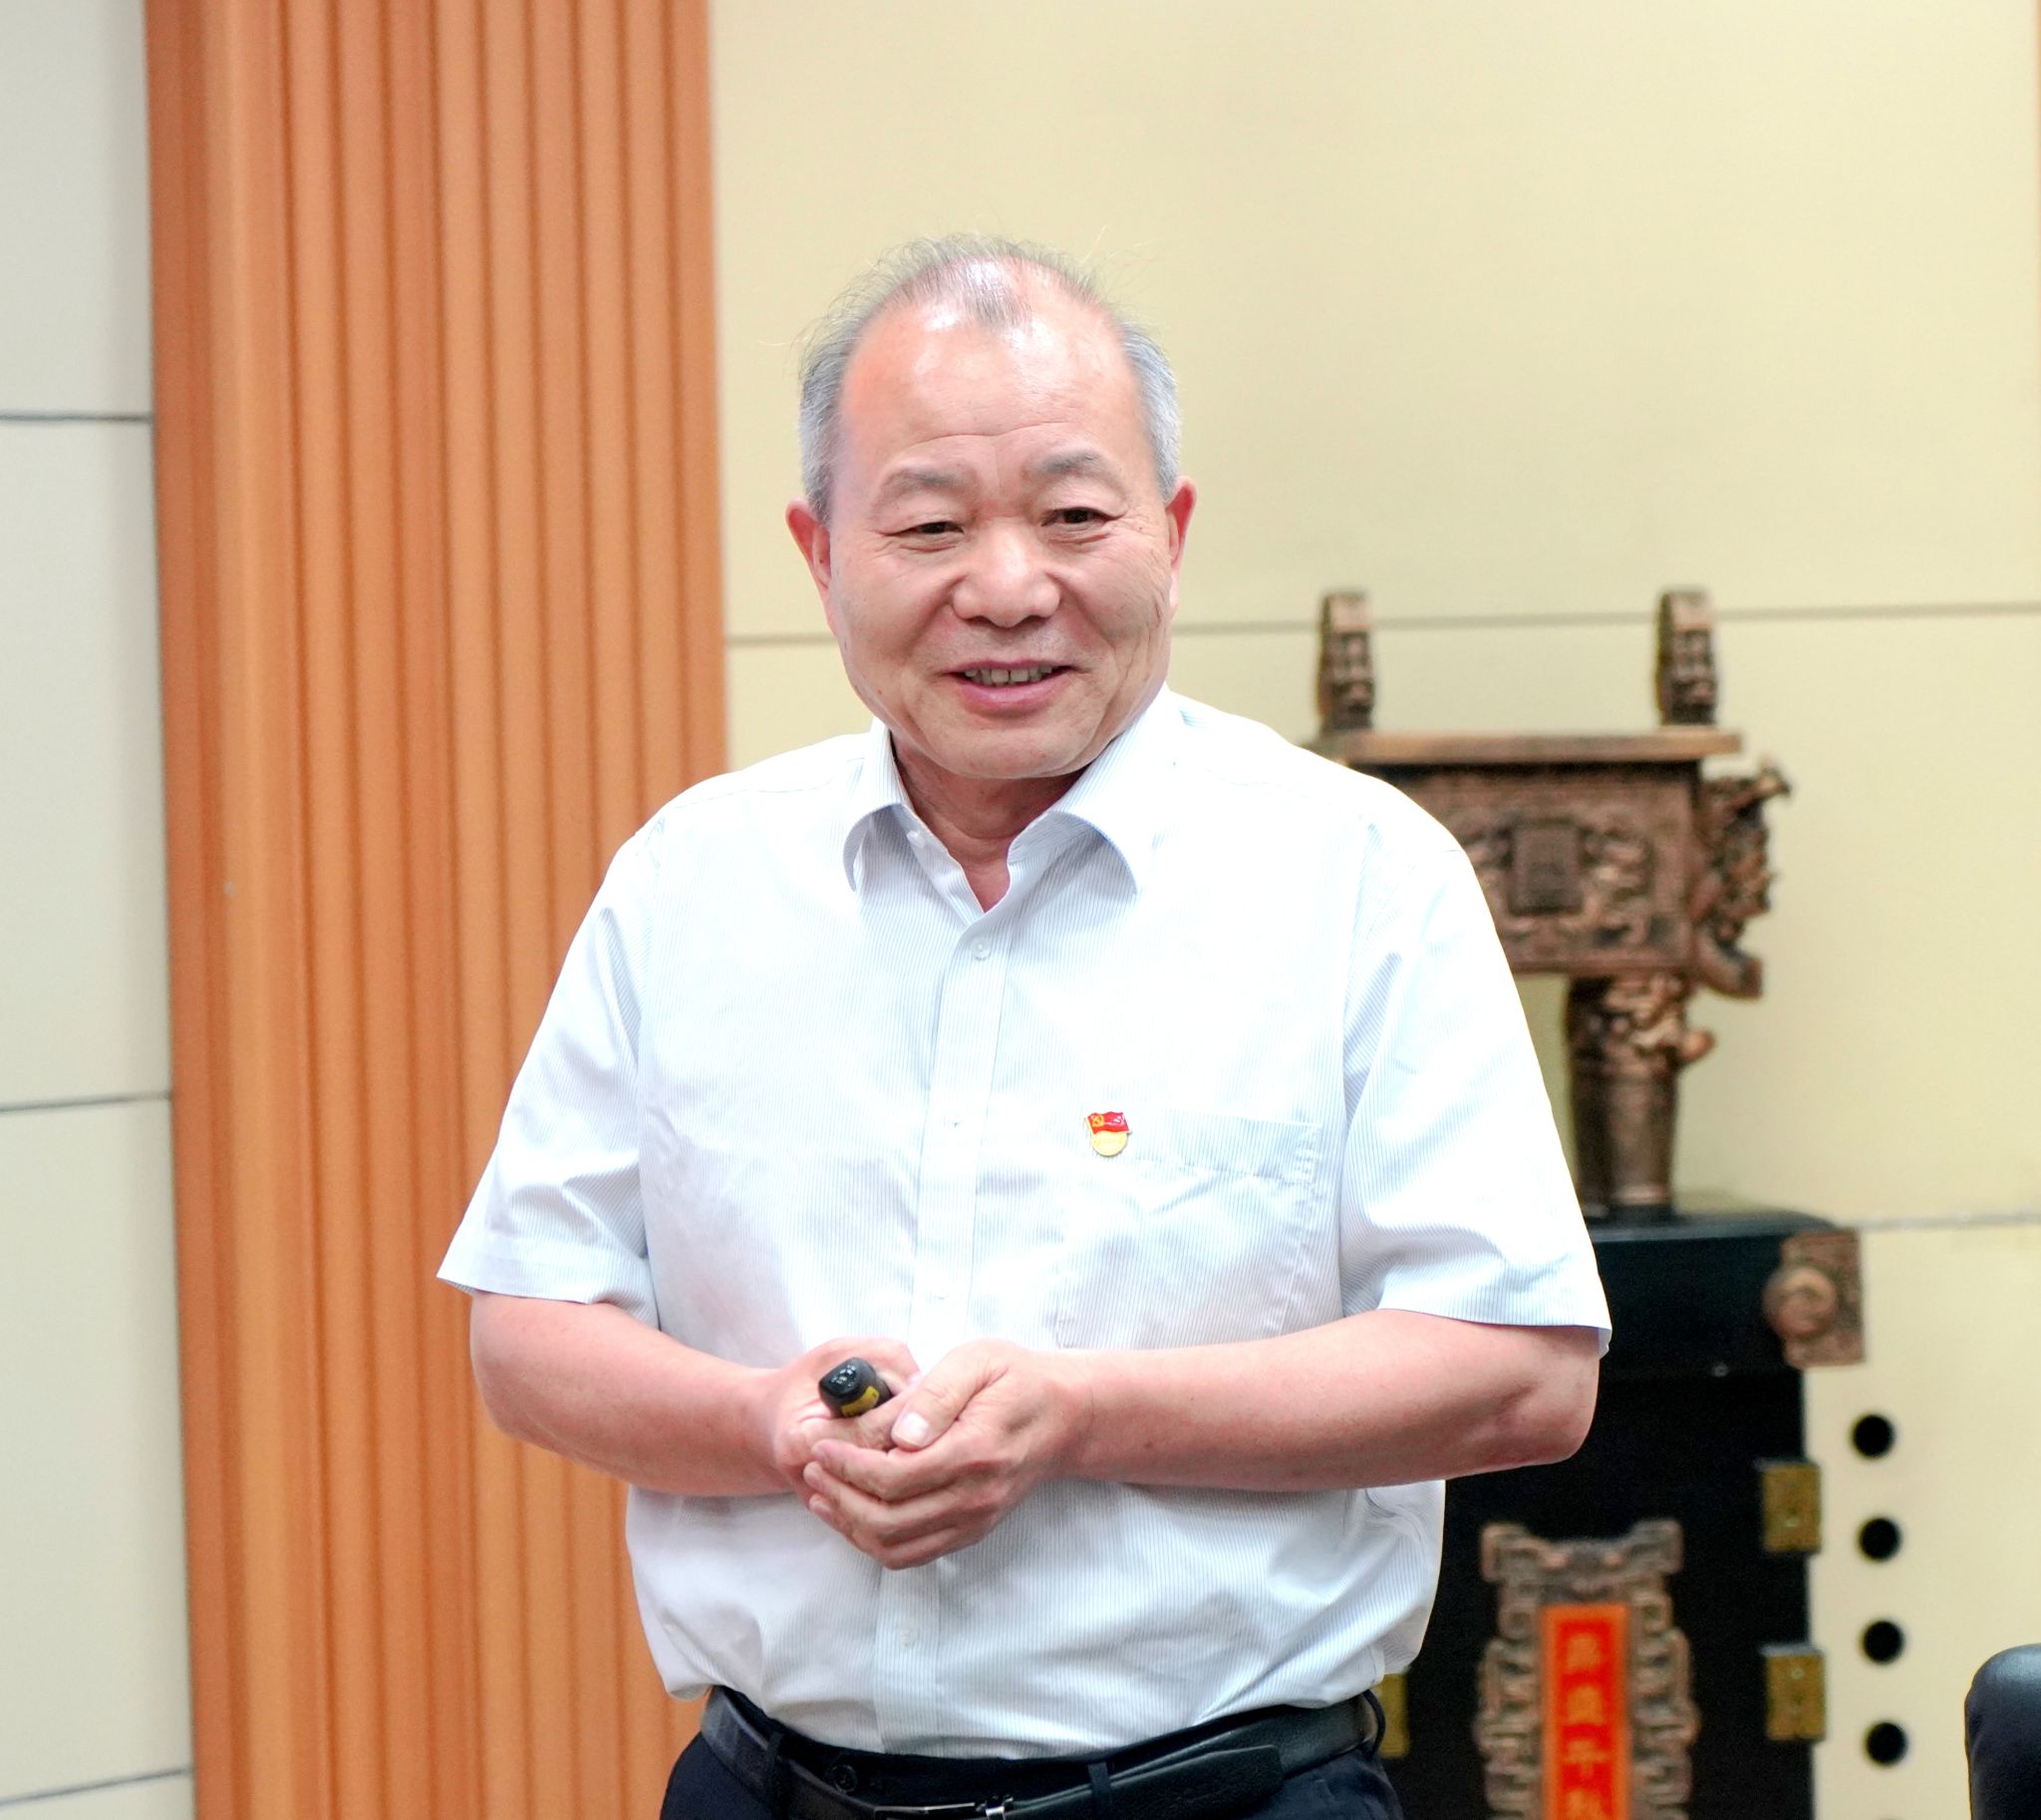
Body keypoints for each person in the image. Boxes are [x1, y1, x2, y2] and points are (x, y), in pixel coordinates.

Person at [439, 235, 1609, 1820]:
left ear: (1171, 536)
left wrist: (1080, 1414)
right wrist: (768, 1421)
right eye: (929, 524)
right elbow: (526, 1331)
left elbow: (1522, 1369)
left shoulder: (1357, 876)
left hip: (1225, 1798)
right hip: (766, 1788)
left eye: (1073, 516)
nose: (1006, 587)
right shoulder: (694, 881)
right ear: (819, 552)